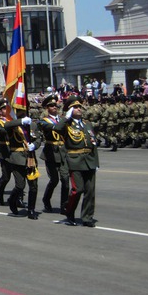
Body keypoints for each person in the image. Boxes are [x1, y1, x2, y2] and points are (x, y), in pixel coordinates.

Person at [57, 95, 99, 227]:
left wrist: (96, 162)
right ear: (69, 110)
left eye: (80, 107)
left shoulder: (87, 124)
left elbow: (93, 144)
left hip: (89, 160)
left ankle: (87, 217)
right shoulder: (67, 124)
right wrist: (66, 118)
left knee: (90, 191)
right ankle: (69, 210)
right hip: (75, 161)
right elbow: (56, 129)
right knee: (77, 190)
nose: (79, 109)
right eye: (75, 107)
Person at [4, 108, 42, 220]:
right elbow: (6, 126)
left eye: (24, 110)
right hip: (17, 158)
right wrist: (20, 122)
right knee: (20, 185)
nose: (22, 112)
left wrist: (35, 145)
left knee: (33, 186)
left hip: (30, 158)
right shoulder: (13, 125)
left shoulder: (32, 125)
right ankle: (12, 199)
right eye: (19, 110)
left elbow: (38, 139)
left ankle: (31, 210)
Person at [37, 94, 69, 214]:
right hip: (51, 152)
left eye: (55, 105)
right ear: (47, 108)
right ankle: (46, 199)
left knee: (65, 180)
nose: (54, 107)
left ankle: (64, 206)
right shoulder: (43, 121)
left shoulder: (62, 119)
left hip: (63, 152)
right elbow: (53, 128)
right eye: (51, 105)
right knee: (54, 180)